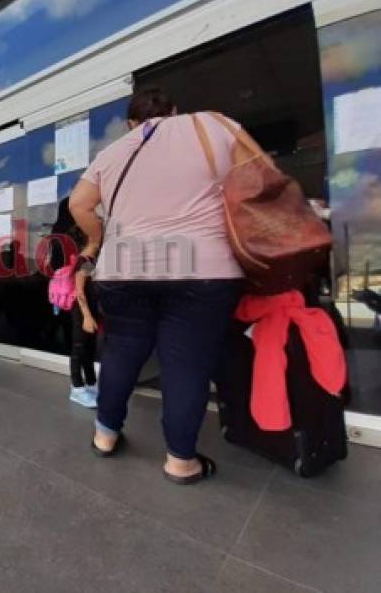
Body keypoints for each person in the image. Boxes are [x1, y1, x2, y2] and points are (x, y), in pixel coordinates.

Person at [69, 86, 248, 484]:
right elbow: (251, 183)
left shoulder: (113, 152)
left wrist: (99, 239)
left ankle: (105, 436)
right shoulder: (213, 126)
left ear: (133, 123)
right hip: (200, 265)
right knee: (185, 364)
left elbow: (78, 204)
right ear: (175, 110)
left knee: (121, 353)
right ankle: (181, 461)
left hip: (123, 267)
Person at [50, 198, 98, 408]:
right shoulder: (85, 257)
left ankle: (91, 383)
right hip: (79, 302)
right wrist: (87, 314)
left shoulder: (64, 238)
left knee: (87, 345)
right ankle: (77, 388)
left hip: (84, 301)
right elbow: (79, 286)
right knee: (79, 345)